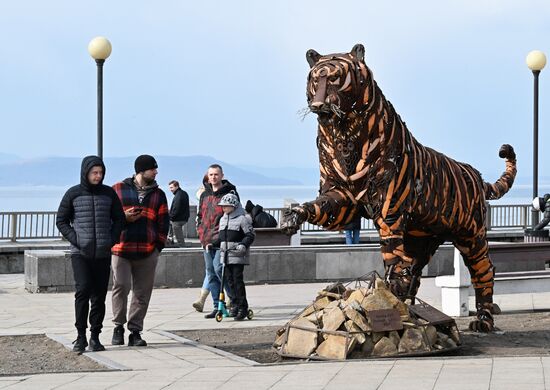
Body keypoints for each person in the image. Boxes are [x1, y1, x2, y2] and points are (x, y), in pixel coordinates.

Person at [56, 156, 125, 353]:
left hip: (103, 253)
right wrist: (77, 239)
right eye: (94, 172)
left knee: (99, 296)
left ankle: (95, 336)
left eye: (101, 172)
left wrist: (110, 240)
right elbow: (61, 221)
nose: (98, 176)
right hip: (81, 253)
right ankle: (80, 336)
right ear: (85, 172)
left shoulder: (109, 194)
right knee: (83, 291)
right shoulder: (73, 194)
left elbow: (119, 219)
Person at [110, 154, 169, 347]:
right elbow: (108, 218)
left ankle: (135, 331)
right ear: (141, 170)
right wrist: (124, 218)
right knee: (121, 287)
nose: (156, 171)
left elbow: (163, 223)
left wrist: (157, 247)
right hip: (121, 249)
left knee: (142, 293)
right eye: (153, 168)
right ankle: (118, 326)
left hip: (147, 251)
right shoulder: (118, 189)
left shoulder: (159, 194)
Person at [196, 164, 238, 318]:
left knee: (219, 269)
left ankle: (234, 299)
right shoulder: (204, 195)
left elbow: (235, 215)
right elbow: (200, 216)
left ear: (221, 175)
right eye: (211, 175)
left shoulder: (229, 193)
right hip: (206, 241)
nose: (213, 177)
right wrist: (200, 233)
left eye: (216, 174)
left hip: (222, 240)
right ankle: (217, 306)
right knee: (211, 273)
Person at [213, 193, 255, 320]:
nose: (224, 208)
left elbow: (250, 235)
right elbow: (221, 238)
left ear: (234, 206)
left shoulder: (242, 219)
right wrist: (212, 244)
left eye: (226, 206)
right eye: (223, 206)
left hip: (237, 255)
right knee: (229, 282)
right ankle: (235, 305)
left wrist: (243, 244)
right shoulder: (223, 219)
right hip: (225, 255)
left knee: (237, 282)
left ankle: (243, 307)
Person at [168, 180, 190, 247]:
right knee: (169, 223)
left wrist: (171, 217)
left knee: (179, 236)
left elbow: (176, 209)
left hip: (178, 219)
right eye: (170, 188)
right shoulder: (183, 193)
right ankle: (170, 239)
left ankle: (182, 247)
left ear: (177, 186)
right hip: (183, 218)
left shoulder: (178, 195)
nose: (170, 189)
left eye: (171, 187)